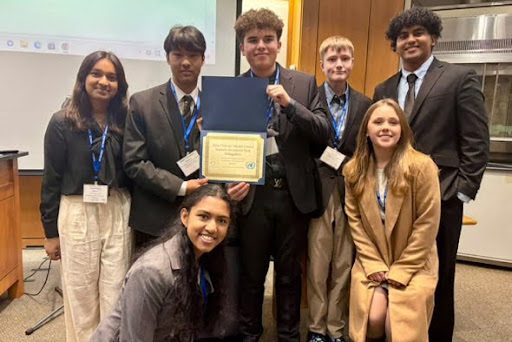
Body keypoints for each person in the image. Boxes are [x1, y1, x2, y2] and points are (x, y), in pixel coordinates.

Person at [372, 7, 489, 341]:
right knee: (397, 272)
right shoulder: (384, 89)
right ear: (394, 44)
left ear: (433, 38)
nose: (410, 40)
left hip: (443, 196)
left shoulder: (458, 78)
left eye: (418, 33)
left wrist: (462, 191)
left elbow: (476, 140)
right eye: (402, 36)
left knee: (438, 276)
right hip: (392, 201)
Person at [231, 8, 330, 341]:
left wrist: (290, 105)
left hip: (291, 194)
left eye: (268, 39)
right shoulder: (233, 88)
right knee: (251, 275)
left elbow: (322, 132)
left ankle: (289, 336)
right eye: (252, 40)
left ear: (278, 43)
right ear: (243, 47)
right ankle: (249, 335)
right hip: (252, 197)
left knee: (289, 275)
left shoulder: (302, 83)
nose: (261, 45)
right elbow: (225, 147)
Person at [40, 50, 131, 342]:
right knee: (80, 296)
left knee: (116, 291)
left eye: (112, 77)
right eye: (97, 74)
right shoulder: (61, 122)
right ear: (83, 78)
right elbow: (51, 180)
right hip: (77, 211)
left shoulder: (127, 120)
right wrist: (50, 232)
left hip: (117, 207)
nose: (104, 82)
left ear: (120, 85)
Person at [343, 99, 440, 342]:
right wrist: (373, 263)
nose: (386, 127)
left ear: (402, 129)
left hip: (414, 262)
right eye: (378, 121)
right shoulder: (353, 170)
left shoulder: (422, 166)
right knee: (373, 319)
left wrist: (404, 268)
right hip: (372, 260)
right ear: (367, 129)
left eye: (393, 122)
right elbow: (355, 223)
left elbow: (427, 224)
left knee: (397, 326)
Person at [91, 184, 234, 341]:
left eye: (222, 221)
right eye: (204, 216)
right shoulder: (151, 272)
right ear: (185, 217)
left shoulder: (205, 259)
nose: (213, 228)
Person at [306, 36, 371, 342]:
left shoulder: (365, 104)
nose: (338, 64)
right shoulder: (310, 98)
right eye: (332, 59)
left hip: (351, 191)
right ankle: (317, 328)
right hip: (317, 192)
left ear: (352, 63)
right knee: (318, 265)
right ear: (322, 65)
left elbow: (366, 151)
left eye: (345, 59)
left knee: (344, 263)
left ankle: (336, 328)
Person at [123, 25, 208, 247]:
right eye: (178, 55)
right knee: (152, 280)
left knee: (199, 281)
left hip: (204, 218)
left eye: (193, 55)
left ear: (203, 59)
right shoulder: (142, 103)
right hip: (154, 216)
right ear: (167, 58)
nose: (185, 62)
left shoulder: (217, 105)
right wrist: (180, 186)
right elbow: (134, 162)